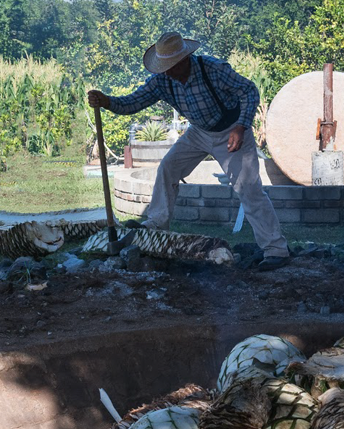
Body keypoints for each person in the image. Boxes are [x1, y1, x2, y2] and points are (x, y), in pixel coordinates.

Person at [87, 32, 291, 271]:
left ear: (185, 59)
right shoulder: (163, 81)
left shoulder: (212, 68)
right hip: (199, 132)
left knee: (248, 189)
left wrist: (240, 126)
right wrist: (107, 101)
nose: (169, 71)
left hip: (232, 130)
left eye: (172, 66)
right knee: (168, 169)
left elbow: (248, 91)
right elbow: (133, 103)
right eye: (165, 67)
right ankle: (156, 224)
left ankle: (276, 250)